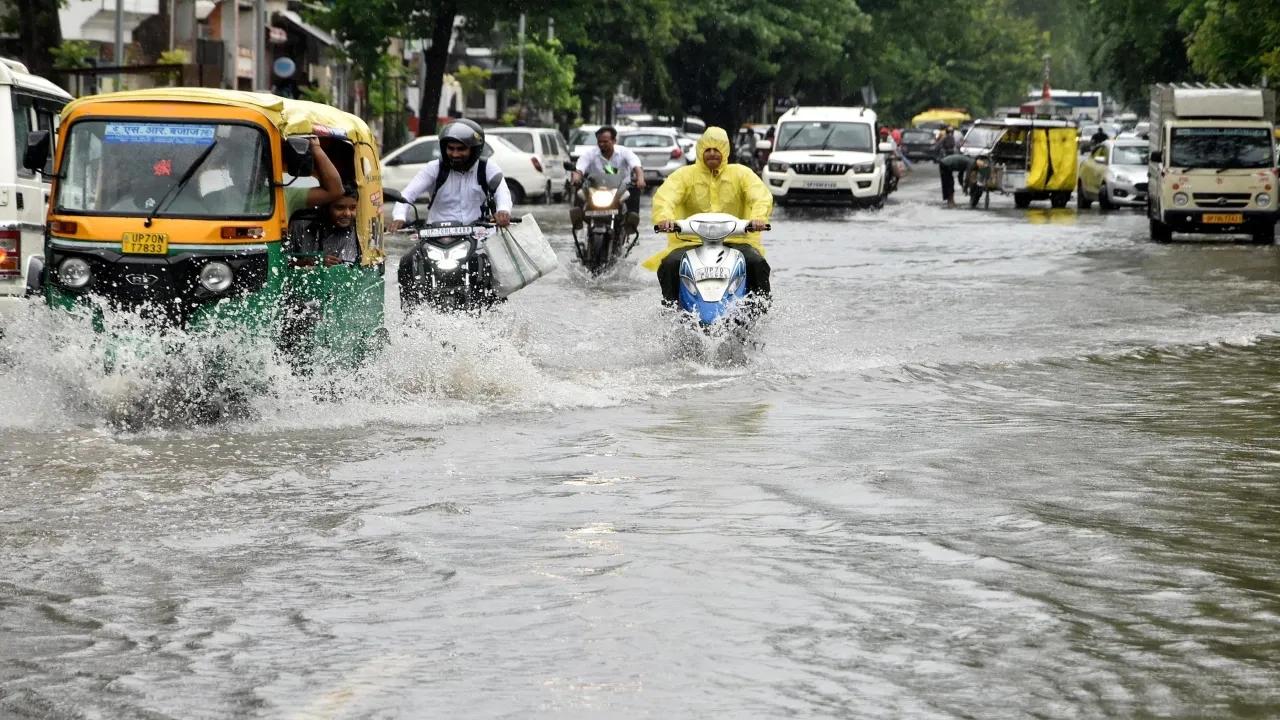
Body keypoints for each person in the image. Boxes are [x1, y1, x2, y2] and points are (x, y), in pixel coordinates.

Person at [645, 126, 773, 304]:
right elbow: (665, 198)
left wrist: (758, 218)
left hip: (737, 241)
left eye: (717, 149)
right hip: (690, 241)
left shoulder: (741, 173)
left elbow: (760, 196)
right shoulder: (684, 175)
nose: (712, 154)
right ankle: (671, 310)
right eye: (707, 149)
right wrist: (664, 218)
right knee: (669, 264)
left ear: (725, 151)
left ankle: (760, 309)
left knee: (756, 263)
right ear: (700, 151)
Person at [389, 119, 513, 230]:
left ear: (474, 149)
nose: (455, 154)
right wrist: (399, 217)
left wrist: (503, 210)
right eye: (451, 148)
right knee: (408, 257)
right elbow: (408, 194)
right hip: (436, 238)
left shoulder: (487, 167)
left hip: (479, 238)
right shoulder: (434, 168)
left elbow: (502, 192)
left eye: (461, 149)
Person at [570, 125, 644, 232]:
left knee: (634, 190)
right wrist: (576, 178)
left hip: (620, 190)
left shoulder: (624, 152)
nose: (601, 144)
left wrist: (640, 180)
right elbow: (579, 169)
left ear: (614, 141)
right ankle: (579, 218)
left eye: (605, 141)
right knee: (579, 187)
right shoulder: (590, 154)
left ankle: (631, 222)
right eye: (599, 141)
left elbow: (637, 167)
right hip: (596, 190)